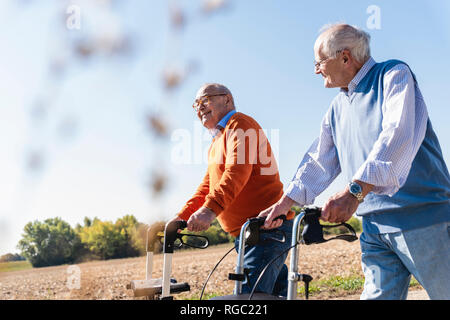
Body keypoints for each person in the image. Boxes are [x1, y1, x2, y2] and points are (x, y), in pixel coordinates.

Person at [259, 23, 450, 300]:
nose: (316, 70)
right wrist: (286, 202)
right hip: (373, 227)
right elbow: (320, 160)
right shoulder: (337, 107)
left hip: (420, 218)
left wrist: (354, 191)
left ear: (345, 57)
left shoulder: (393, 74)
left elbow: (397, 136)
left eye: (319, 62)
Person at [167, 83, 295, 297]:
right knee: (274, 294)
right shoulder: (217, 142)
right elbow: (208, 187)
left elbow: (237, 171)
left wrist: (210, 210)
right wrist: (182, 216)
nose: (199, 108)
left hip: (266, 228)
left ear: (226, 99)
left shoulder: (240, 124)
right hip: (247, 235)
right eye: (196, 105)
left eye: (204, 100)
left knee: (249, 299)